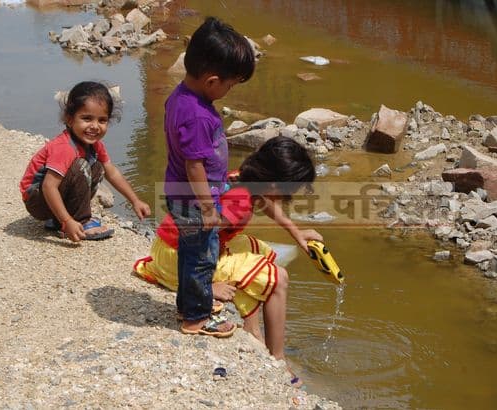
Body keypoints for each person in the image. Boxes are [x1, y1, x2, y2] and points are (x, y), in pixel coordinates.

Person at [135, 136, 322, 385]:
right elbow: (199, 231)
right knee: (277, 278)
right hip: (179, 256)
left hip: (167, 245)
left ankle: (252, 327)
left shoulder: (243, 178)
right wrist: (204, 285)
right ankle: (277, 358)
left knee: (259, 250)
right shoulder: (240, 203)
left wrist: (297, 233)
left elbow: (264, 203)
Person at [163, 17, 255, 338]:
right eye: (230, 85)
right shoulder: (200, 115)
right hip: (194, 200)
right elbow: (194, 165)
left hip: (180, 194)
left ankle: (186, 305)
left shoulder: (179, 97)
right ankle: (198, 318)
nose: (229, 90)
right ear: (212, 80)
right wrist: (207, 207)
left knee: (190, 254)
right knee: (203, 257)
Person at [20, 81, 151, 242]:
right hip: (37, 200)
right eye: (87, 118)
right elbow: (49, 186)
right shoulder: (65, 148)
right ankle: (80, 221)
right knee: (80, 166)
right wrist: (67, 221)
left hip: (50, 196)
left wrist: (135, 200)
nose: (95, 126)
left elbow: (112, 172)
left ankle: (59, 218)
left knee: (97, 167)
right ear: (69, 119)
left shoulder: (95, 146)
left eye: (102, 120)